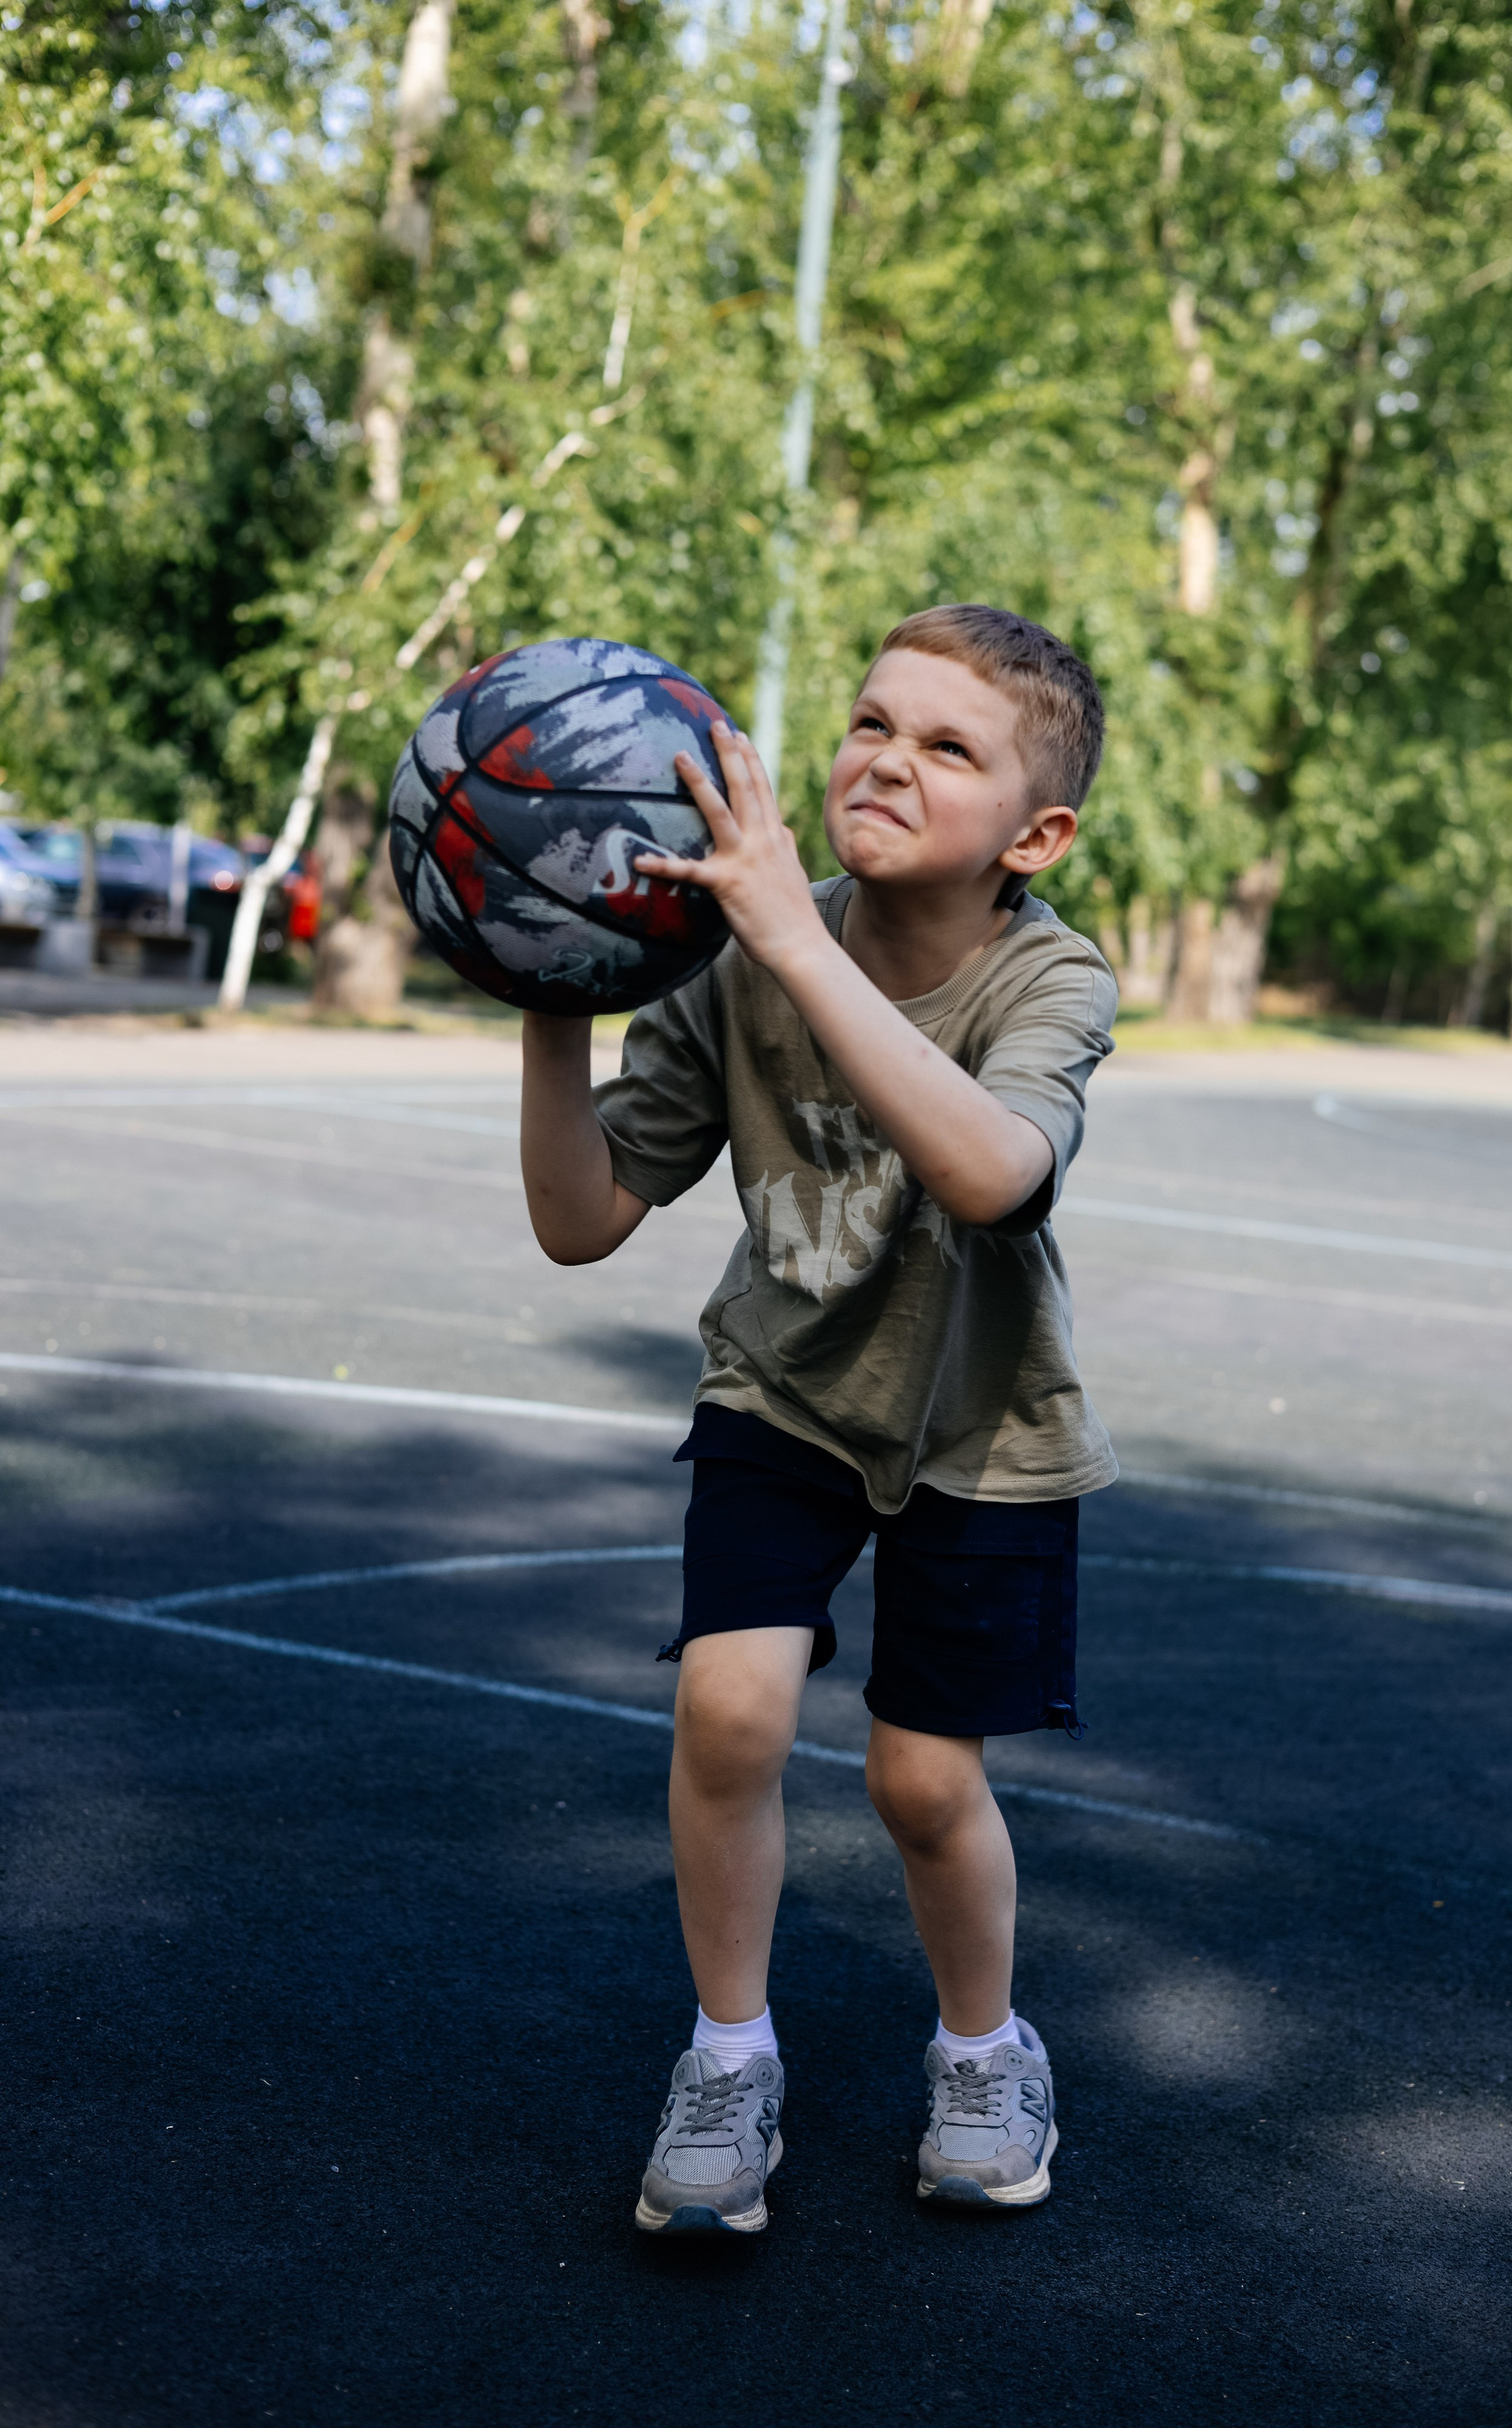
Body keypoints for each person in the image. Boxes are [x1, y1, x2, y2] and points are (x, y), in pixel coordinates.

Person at [519, 603, 1118, 2232]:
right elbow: (580, 1220)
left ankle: (984, 2049)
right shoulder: (729, 962)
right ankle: (727, 2059)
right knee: (729, 1712)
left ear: (1034, 831)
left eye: (946, 746)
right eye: (870, 721)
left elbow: (996, 1174)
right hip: (779, 1385)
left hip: (979, 1426)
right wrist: (550, 987)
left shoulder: (1045, 973)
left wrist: (787, 940)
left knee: (923, 1787)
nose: (885, 758)